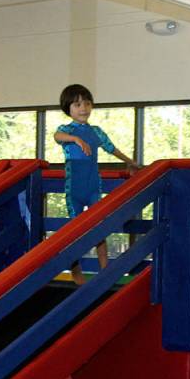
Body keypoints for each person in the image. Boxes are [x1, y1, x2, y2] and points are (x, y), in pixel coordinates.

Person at [54, 84, 137, 284]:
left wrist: (129, 161)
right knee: (74, 230)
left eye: (87, 103)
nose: (83, 108)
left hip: (93, 186)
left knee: (99, 226)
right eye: (77, 104)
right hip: (74, 187)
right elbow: (57, 136)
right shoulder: (66, 130)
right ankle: (75, 269)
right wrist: (74, 139)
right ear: (69, 109)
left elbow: (111, 148)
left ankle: (104, 268)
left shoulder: (96, 132)